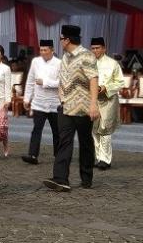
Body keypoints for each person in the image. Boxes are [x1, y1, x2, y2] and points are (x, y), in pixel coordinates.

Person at [43, 25, 99, 192]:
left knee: (85, 143)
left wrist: (93, 104)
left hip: (83, 107)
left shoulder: (86, 56)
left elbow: (93, 80)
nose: (60, 41)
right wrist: (61, 96)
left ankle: (86, 177)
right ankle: (60, 179)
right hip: (66, 107)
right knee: (64, 141)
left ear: (67, 40)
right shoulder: (65, 57)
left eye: (61, 38)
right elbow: (62, 79)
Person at [21, 39, 61, 165]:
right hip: (38, 103)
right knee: (36, 129)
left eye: (45, 50)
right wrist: (27, 98)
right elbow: (30, 80)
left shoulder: (59, 63)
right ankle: (33, 155)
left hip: (55, 103)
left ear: (52, 50)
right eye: (41, 50)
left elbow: (62, 83)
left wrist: (45, 83)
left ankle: (59, 155)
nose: (43, 52)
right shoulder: (35, 61)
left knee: (57, 131)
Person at [90, 37, 125, 170]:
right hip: (92, 100)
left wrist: (106, 87)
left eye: (98, 48)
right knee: (94, 129)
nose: (95, 50)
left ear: (104, 48)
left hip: (108, 100)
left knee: (105, 129)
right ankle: (98, 157)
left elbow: (120, 82)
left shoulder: (112, 63)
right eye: (93, 48)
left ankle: (105, 159)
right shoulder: (87, 63)